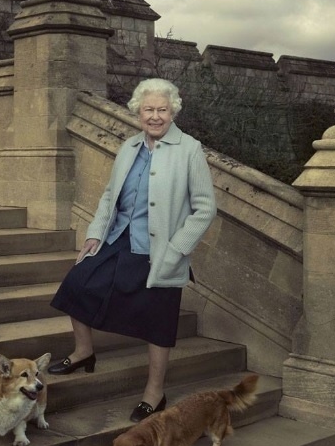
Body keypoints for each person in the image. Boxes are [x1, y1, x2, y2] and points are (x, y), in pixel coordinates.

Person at [48, 77, 217, 422]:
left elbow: (205, 208)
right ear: (138, 111)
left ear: (173, 112)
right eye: (148, 109)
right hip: (120, 237)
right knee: (77, 283)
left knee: (158, 320)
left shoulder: (189, 149)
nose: (154, 116)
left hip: (161, 249)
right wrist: (95, 234)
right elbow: (111, 195)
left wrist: (177, 249)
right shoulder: (128, 147)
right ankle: (83, 352)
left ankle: (155, 393)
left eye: (162, 110)